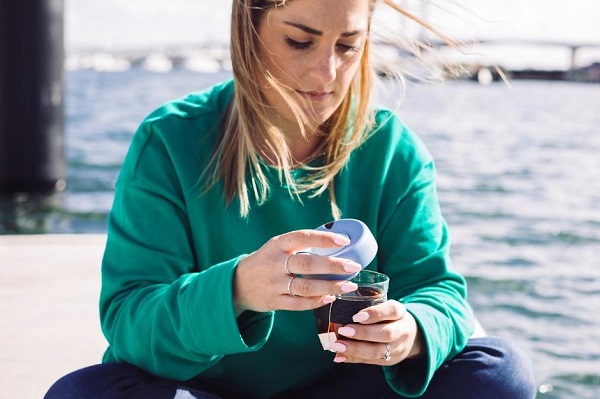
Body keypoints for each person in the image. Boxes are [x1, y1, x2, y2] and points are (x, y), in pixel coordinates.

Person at [46, 0, 536, 398]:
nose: (326, 73)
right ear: (248, 28)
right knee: (83, 393)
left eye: (348, 46)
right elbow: (129, 325)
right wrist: (238, 289)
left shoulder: (392, 150)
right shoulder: (171, 140)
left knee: (501, 371)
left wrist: (410, 333)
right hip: (198, 390)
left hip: (343, 388)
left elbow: (442, 294)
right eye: (299, 41)